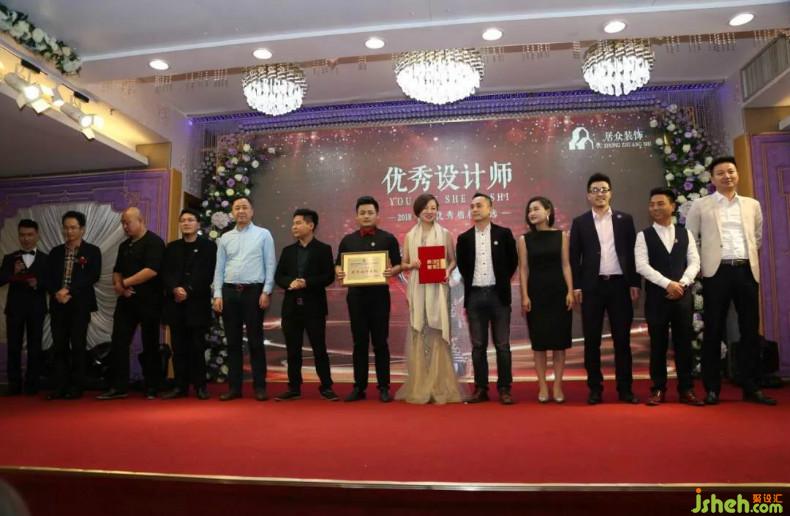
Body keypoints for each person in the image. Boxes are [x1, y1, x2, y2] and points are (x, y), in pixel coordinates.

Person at [685, 157, 776, 406]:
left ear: (737, 174)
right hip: (716, 273)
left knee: (750, 330)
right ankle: (712, 389)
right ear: (712, 178)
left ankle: (751, 386)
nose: (727, 176)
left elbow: (757, 237)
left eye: (731, 171)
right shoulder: (701, 205)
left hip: (746, 271)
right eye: (721, 173)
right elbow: (691, 239)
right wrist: (701, 265)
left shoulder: (752, 205)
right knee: (713, 330)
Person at [569, 173, 641, 405]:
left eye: (604, 189)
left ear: (611, 193)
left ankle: (625, 389)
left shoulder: (624, 219)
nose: (600, 194)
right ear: (588, 195)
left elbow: (633, 253)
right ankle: (595, 389)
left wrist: (634, 282)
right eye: (595, 190)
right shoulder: (580, 222)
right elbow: (574, 257)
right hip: (592, 287)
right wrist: (577, 286)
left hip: (620, 285)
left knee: (622, 340)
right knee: (592, 341)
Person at [635, 188, 703, 406]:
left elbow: (694, 261)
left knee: (684, 344)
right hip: (657, 298)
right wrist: (668, 284)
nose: (655, 208)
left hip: (682, 297)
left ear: (672, 206)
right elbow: (641, 266)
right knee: (658, 345)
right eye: (652, 204)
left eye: (660, 203)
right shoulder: (643, 236)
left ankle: (686, 389)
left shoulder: (685, 234)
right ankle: (658, 389)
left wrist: (682, 283)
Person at [396, 194, 462, 404]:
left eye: (433, 207)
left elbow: (452, 260)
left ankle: (439, 385)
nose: (430, 211)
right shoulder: (410, 236)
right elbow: (403, 264)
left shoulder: (444, 234)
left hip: (438, 287)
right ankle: (421, 386)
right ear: (418, 210)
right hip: (418, 288)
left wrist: (447, 271)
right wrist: (412, 265)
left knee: (437, 333)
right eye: (425, 208)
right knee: (420, 332)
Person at [336, 196, 402, 402]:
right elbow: (338, 265)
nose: (366, 216)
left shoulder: (388, 238)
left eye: (370, 212)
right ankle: (359, 387)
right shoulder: (348, 240)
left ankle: (384, 387)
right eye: (362, 213)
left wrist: (392, 271)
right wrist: (339, 272)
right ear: (356, 217)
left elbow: (399, 264)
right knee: (359, 342)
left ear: (377, 216)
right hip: (356, 297)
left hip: (380, 297)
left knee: (380, 342)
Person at [456, 192, 518, 405]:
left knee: (502, 345)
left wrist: (500, 282)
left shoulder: (504, 234)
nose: (475, 209)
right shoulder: (464, 238)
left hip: (498, 295)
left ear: (490, 209)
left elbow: (512, 262)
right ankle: (481, 388)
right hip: (474, 297)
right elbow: (463, 267)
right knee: (478, 345)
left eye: (479, 205)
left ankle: (504, 388)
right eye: (472, 206)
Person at [98, 207, 165, 400]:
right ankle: (119, 386)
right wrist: (119, 286)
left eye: (128, 222)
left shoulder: (154, 242)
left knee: (150, 343)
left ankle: (152, 386)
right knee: (119, 342)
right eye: (123, 223)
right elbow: (117, 270)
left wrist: (125, 283)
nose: (125, 227)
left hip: (149, 301)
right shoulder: (124, 245)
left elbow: (151, 270)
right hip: (126, 301)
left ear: (140, 220)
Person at [212, 197, 276, 401]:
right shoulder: (225, 238)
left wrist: (266, 291)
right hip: (229, 292)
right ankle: (234, 388)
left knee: (256, 341)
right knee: (232, 342)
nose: (241, 211)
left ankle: (260, 387)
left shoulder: (263, 234)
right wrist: (217, 294)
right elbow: (219, 268)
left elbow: (270, 264)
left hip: (253, 292)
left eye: (245, 207)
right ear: (232, 212)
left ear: (252, 211)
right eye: (237, 208)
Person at [273, 209, 339, 402]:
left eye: (298, 223)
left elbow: (328, 276)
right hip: (291, 307)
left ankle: (326, 387)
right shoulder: (288, 251)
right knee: (292, 350)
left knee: (319, 348)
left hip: (314, 307)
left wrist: (306, 282)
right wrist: (290, 282)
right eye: (293, 223)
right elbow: (279, 276)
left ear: (311, 225)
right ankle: (294, 388)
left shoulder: (323, 249)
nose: (294, 227)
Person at [517, 197, 573, 404]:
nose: (532, 213)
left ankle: (557, 385)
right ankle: (542, 385)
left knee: (559, 344)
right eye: (529, 210)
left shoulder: (561, 236)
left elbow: (566, 265)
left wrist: (569, 291)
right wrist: (524, 295)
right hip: (536, 294)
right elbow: (523, 269)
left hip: (558, 292)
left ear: (548, 211)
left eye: (536, 209)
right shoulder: (524, 240)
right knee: (539, 344)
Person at [44, 211, 102, 400]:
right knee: (59, 346)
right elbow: (48, 277)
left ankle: (77, 386)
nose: (69, 231)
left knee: (78, 345)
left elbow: (92, 276)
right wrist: (57, 292)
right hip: (58, 305)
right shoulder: (55, 252)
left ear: (82, 229)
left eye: (73, 228)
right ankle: (60, 386)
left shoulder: (92, 251)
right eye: (66, 228)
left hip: (80, 306)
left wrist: (68, 290)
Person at [161, 208, 216, 400]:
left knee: (197, 347)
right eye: (183, 220)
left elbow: (207, 273)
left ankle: (200, 386)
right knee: (178, 348)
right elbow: (165, 272)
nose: (186, 223)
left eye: (190, 220)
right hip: (175, 303)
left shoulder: (209, 247)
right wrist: (174, 289)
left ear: (198, 224)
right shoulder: (171, 247)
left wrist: (188, 290)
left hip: (197, 304)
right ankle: (180, 386)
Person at [0, 220, 47, 396]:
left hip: (37, 309)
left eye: (29, 235)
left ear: (37, 235)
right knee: (13, 347)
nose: (26, 239)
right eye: (22, 235)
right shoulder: (9, 258)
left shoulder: (46, 259)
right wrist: (12, 273)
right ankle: (14, 384)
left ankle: (32, 384)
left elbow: (51, 283)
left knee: (35, 347)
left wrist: (38, 283)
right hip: (14, 309)